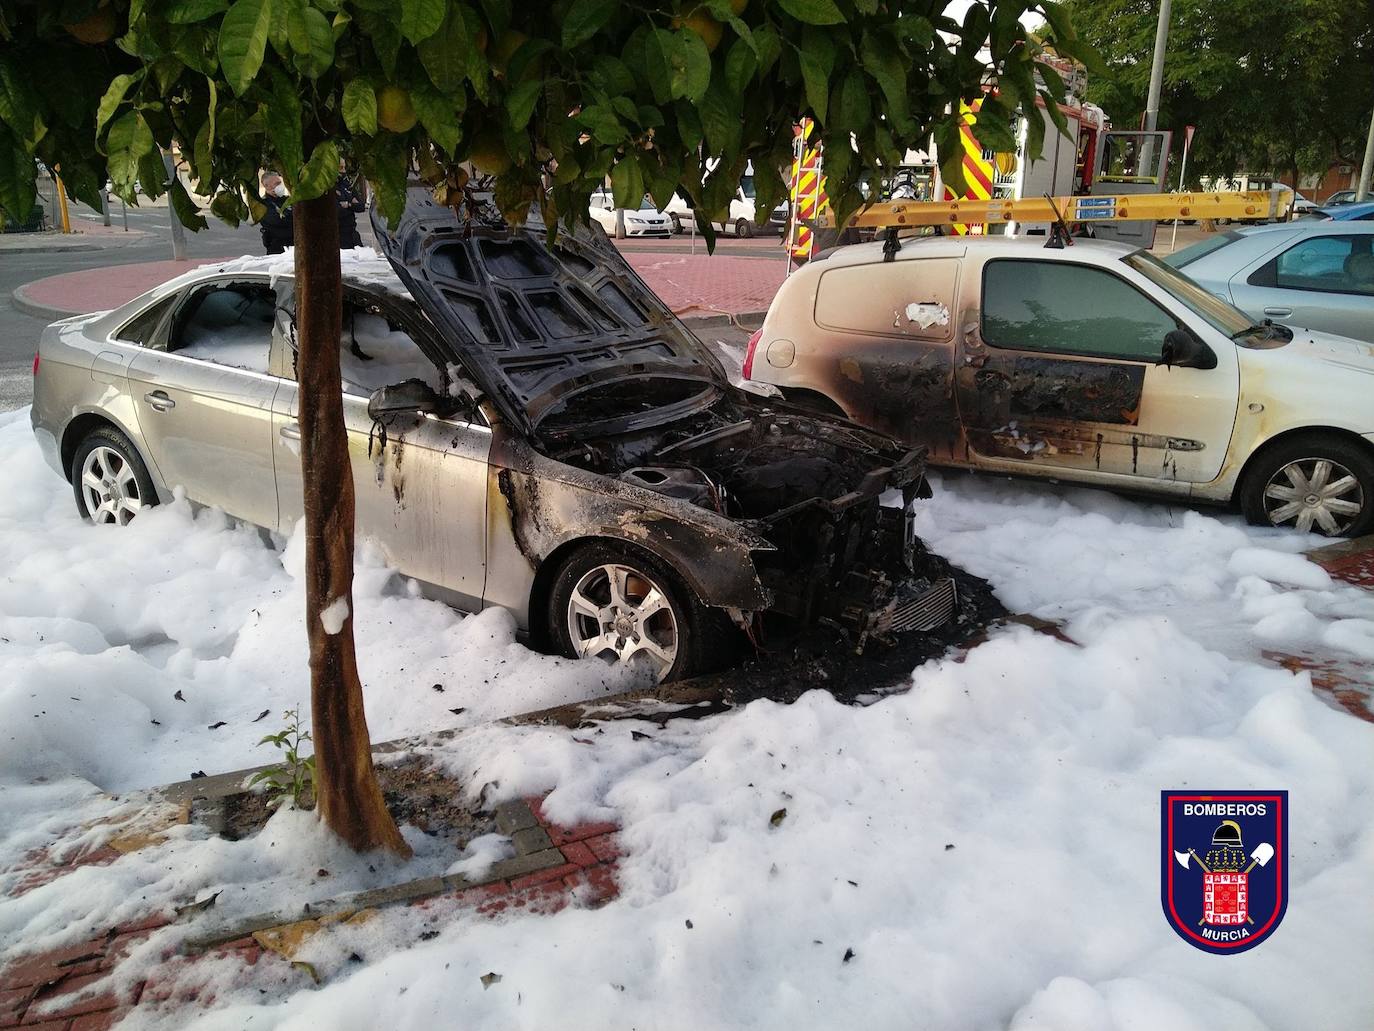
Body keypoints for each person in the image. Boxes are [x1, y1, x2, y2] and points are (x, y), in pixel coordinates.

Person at [259, 171, 293, 254]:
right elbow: (278, 221)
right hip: (277, 250)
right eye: (277, 184)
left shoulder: (287, 200)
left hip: (295, 247)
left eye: (280, 183)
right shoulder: (263, 205)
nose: (280, 186)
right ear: (267, 186)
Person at [336, 169, 367, 249]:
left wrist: (348, 205)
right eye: (341, 167)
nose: (343, 170)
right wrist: (352, 204)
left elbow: (361, 206)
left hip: (352, 233)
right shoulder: (331, 188)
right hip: (339, 234)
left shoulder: (347, 186)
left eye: (344, 167)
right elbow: (338, 211)